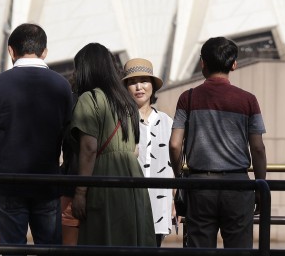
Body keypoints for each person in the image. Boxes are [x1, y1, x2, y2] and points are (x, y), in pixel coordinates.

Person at [0, 23, 74, 250]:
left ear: (11, 51)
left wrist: (2, 144)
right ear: (45, 52)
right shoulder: (62, 86)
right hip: (48, 182)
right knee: (49, 247)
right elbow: (69, 133)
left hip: (7, 183)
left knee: (12, 248)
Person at [169, 36, 267, 249]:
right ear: (234, 64)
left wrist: (179, 178)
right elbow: (258, 148)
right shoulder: (248, 100)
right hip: (238, 185)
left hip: (200, 185)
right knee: (239, 249)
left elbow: (175, 144)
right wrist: (260, 186)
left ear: (202, 63)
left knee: (200, 249)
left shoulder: (188, 97)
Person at [70, 44, 156, 246]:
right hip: (132, 177)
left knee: (103, 236)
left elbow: (89, 148)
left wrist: (80, 192)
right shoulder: (126, 101)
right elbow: (134, 148)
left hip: (103, 176)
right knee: (130, 236)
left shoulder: (89, 99)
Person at [122, 57, 176, 245]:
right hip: (127, 202)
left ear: (152, 85)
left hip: (158, 202)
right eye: (132, 82)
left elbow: (173, 166)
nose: (139, 87)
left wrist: (174, 200)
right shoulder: (120, 122)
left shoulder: (167, 122)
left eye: (144, 81)